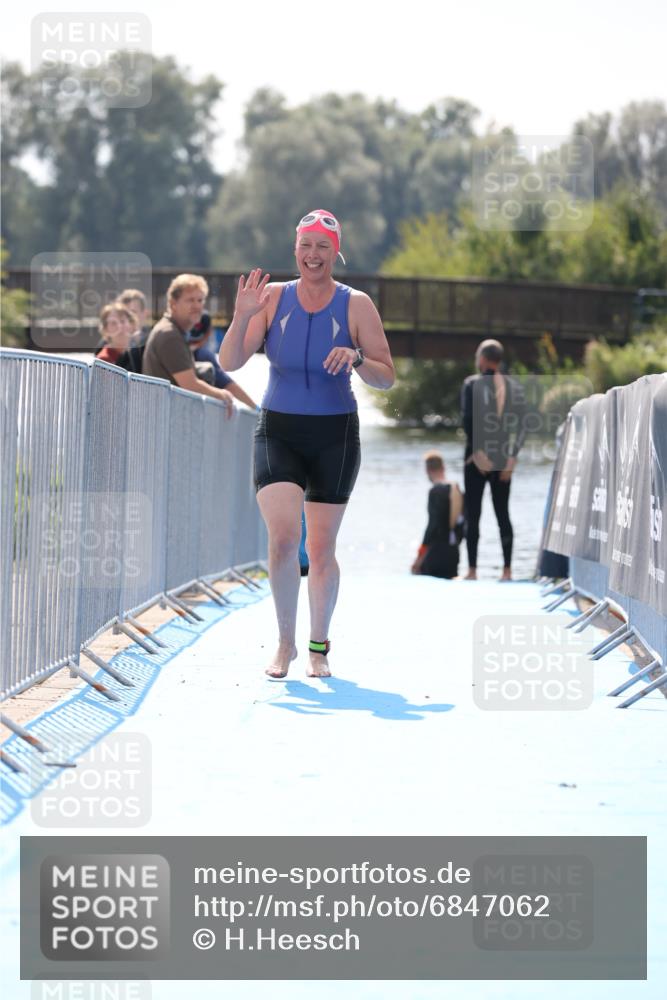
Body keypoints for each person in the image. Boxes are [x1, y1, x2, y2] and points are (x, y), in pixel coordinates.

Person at [218, 209, 395, 678]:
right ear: (295, 249)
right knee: (282, 539)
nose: (313, 255)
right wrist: (242, 316)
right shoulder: (273, 298)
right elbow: (230, 361)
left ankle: (318, 647)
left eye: (323, 247)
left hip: (335, 435)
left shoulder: (356, 304)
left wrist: (357, 357)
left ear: (336, 252)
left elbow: (387, 377)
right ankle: (284, 644)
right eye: (306, 246)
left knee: (320, 549)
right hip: (278, 430)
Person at [460, 339, 527, 581]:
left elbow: (467, 419)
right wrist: (513, 458)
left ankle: (472, 571)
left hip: (475, 459)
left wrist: (478, 452)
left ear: (482, 359)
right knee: (503, 515)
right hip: (502, 457)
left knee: (473, 514)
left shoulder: (471, 384)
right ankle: (507, 571)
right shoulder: (513, 387)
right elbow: (523, 426)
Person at [141, 274, 234, 415]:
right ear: (173, 303)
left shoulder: (172, 331)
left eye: (200, 300)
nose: (197, 306)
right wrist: (223, 395)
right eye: (190, 300)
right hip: (164, 418)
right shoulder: (170, 335)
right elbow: (190, 384)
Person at [411, 451, 464, 579]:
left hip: (436, 554)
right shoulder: (456, 489)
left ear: (427, 470)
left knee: (417, 574)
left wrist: (419, 558)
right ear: (443, 467)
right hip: (454, 553)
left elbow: (432, 527)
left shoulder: (435, 491)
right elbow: (462, 524)